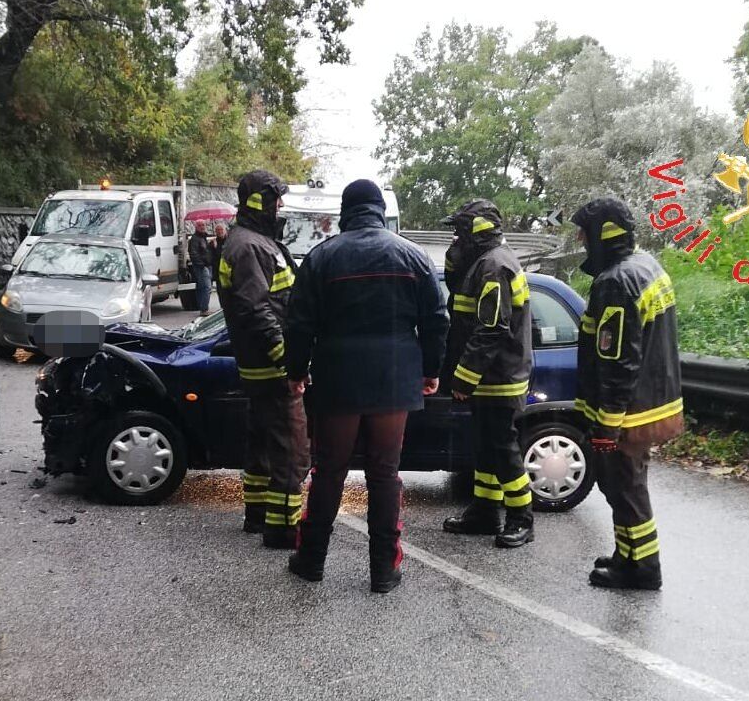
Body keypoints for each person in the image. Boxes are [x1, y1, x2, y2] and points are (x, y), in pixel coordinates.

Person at [285, 180, 448, 593]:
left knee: (329, 471)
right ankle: (383, 570)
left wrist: (296, 369)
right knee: (384, 473)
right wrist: (431, 369)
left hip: (338, 378)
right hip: (395, 379)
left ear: (346, 211)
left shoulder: (322, 257)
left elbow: (299, 320)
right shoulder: (413, 255)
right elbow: (436, 318)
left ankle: (310, 560)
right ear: (378, 210)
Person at [571, 197, 683, 590]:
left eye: (584, 232)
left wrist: (607, 423)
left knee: (624, 488)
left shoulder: (616, 282)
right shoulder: (647, 266)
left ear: (603, 234)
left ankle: (642, 569)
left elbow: (617, 360)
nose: (580, 239)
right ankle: (630, 554)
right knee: (628, 485)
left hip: (626, 413)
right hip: (649, 405)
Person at [216, 170, 311, 549]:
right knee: (291, 451)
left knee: (261, 448)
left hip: (259, 368)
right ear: (261, 202)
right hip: (273, 370)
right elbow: (255, 311)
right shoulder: (251, 247)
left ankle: (257, 516)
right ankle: (284, 530)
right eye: (277, 200)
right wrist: (289, 363)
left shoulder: (249, 242)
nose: (281, 207)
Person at [439, 200, 536, 549]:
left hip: (497, 377)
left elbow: (492, 328)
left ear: (473, 233)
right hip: (490, 376)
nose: (454, 239)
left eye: (458, 232)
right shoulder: (481, 262)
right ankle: (484, 510)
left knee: (501, 448)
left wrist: (464, 377)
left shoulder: (494, 266)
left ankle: (521, 517)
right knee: (485, 447)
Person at [187, 221, 215, 315]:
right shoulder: (195, 239)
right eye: (200, 225)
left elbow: (205, 251)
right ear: (196, 227)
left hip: (207, 265)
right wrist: (201, 265)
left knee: (202, 287)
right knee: (206, 287)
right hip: (202, 267)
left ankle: (202, 308)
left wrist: (210, 245)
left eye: (203, 225)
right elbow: (194, 254)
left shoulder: (203, 238)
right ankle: (204, 309)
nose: (202, 227)